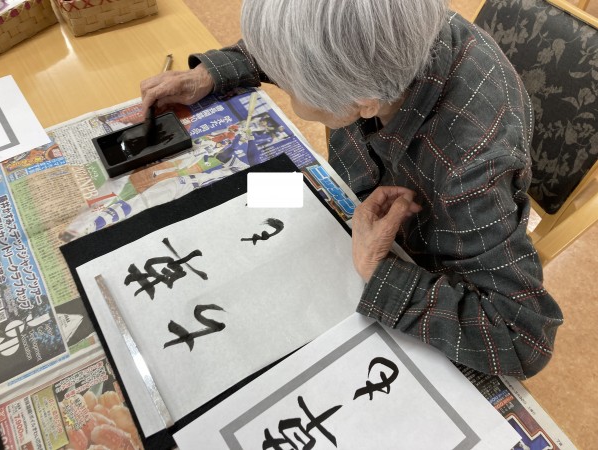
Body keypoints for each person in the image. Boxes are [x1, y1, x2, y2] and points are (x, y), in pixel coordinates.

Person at [139, 0, 563, 378]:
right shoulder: (387, 28)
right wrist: (210, 73)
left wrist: (380, 271)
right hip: (350, 193)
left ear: (363, 103)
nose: (285, 86)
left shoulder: (470, 168)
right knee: (227, 196)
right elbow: (308, 37)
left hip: (418, 254)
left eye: (293, 87)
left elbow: (523, 337)